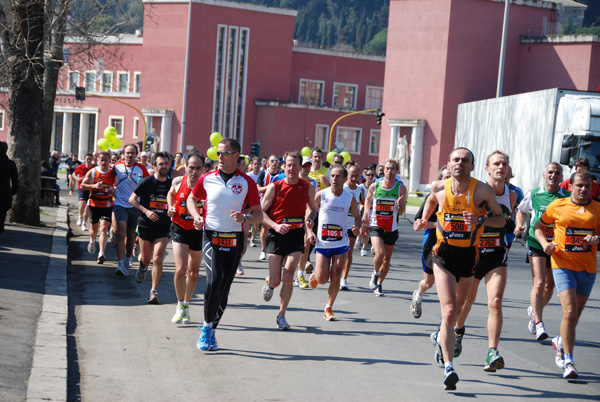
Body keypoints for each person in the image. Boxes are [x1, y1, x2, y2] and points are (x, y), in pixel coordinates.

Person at [414, 147, 505, 390]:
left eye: (465, 160)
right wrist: (423, 220)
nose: (460, 164)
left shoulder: (482, 190)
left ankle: (438, 338)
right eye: (456, 160)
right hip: (443, 254)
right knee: (450, 310)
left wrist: (481, 220)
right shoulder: (438, 187)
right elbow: (430, 204)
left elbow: (501, 219)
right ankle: (449, 367)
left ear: (472, 166)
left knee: (459, 310)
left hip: (469, 255)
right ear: (449, 163)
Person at [187, 138, 262, 351]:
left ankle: (212, 329)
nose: (218, 157)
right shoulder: (207, 179)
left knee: (224, 289)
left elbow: (258, 214)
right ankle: (205, 327)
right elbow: (191, 200)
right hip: (210, 235)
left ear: (236, 155)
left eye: (224, 153)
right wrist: (196, 216)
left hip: (234, 239)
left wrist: (245, 219)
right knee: (214, 281)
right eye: (217, 153)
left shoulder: (247, 182)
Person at [533, 171, 600, 379]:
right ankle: (568, 361)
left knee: (574, 317)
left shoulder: (598, 209)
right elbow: (538, 227)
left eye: (587, 186)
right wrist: (545, 244)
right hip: (562, 264)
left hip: (588, 268)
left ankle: (560, 341)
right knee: (569, 313)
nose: (583, 189)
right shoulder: (558, 206)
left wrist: (596, 238)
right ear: (570, 187)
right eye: (579, 185)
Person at [454, 151, 516, 372]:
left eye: (504, 164)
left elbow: (508, 223)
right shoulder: (477, 190)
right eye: (496, 164)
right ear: (487, 169)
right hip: (473, 253)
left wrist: (514, 228)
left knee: (495, 302)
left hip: (496, 255)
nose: (501, 167)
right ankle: (458, 331)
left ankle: (492, 351)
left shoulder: (512, 194)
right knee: (466, 304)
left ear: (508, 170)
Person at [514, 162, 569, 341]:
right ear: (544, 175)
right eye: (550, 172)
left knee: (549, 286)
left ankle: (533, 310)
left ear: (561, 178)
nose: (553, 175)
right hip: (536, 242)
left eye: (557, 173)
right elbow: (521, 210)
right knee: (539, 283)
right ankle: (539, 323)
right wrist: (519, 225)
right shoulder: (534, 194)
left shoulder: (566, 197)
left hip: (556, 245)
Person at [261, 151, 315, 330]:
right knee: (276, 280)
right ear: (284, 166)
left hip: (295, 236)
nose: (291, 168)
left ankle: (281, 315)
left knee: (289, 275)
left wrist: (309, 225)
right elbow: (260, 212)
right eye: (289, 165)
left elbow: (311, 209)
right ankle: (269, 282)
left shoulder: (307, 187)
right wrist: (274, 226)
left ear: (300, 167)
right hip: (276, 236)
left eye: (295, 165)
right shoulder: (274, 186)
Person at [308, 165, 361, 321]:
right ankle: (316, 275)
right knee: (323, 279)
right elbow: (310, 212)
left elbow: (357, 217)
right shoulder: (321, 195)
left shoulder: (349, 198)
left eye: (338, 176)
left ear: (344, 180)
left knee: (336, 274)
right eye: (332, 176)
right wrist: (309, 230)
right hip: (323, 243)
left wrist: (357, 227)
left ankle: (328, 308)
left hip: (341, 243)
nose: (334, 179)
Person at [129, 152, 172, 304]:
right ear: (154, 165)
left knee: (158, 258)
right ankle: (142, 267)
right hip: (146, 225)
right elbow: (132, 199)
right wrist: (146, 211)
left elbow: (179, 202)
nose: (164, 166)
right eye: (161, 163)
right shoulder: (147, 182)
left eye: (166, 163)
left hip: (164, 226)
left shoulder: (172, 184)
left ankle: (153, 292)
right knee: (146, 259)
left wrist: (172, 210)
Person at [167, 151, 205, 323]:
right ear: (185, 166)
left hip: (198, 232)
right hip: (179, 228)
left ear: (203, 168)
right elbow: (170, 194)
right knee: (181, 270)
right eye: (191, 167)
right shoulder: (177, 181)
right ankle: (180, 304)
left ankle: (187, 304)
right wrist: (170, 207)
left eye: (198, 168)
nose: (194, 171)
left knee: (194, 273)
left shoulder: (207, 187)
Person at [361, 159, 407, 296]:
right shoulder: (375, 186)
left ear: (396, 171)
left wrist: (400, 206)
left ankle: (379, 283)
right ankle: (375, 273)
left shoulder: (401, 187)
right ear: (381, 170)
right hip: (376, 224)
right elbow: (368, 199)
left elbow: (402, 212)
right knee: (379, 253)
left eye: (392, 169)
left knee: (387, 260)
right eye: (387, 168)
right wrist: (365, 214)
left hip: (392, 226)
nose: (389, 171)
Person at [410, 165, 451, 318]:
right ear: (440, 180)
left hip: (453, 245)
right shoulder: (434, 196)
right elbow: (421, 222)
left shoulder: (461, 197)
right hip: (433, 243)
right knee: (429, 283)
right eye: (446, 177)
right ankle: (418, 295)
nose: (449, 180)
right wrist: (443, 224)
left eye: (451, 177)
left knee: (447, 284)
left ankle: (446, 319)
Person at [110, 144, 149, 276]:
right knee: (121, 233)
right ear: (123, 154)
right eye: (127, 153)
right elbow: (108, 179)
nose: (129, 155)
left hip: (134, 206)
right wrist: (110, 188)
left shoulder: (141, 169)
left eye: (132, 153)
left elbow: (149, 184)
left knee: (131, 235)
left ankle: (127, 259)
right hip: (120, 204)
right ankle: (120, 265)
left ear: (136, 154)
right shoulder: (116, 167)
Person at [80, 151, 115, 264]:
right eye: (102, 160)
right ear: (98, 160)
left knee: (104, 228)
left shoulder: (112, 173)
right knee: (94, 230)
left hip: (107, 204)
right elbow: (83, 185)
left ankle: (101, 253)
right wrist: (94, 186)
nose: (104, 162)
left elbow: (116, 186)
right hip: (94, 204)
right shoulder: (93, 172)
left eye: (106, 160)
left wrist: (113, 190)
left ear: (109, 160)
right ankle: (92, 240)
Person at [295, 156, 319, 288]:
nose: (306, 169)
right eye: (304, 166)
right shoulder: (292, 181)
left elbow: (313, 203)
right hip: (292, 218)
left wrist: (311, 216)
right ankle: (289, 271)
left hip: (306, 217)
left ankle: (300, 274)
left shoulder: (313, 183)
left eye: (309, 166)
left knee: (306, 245)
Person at [340, 164, 365, 290]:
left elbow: (362, 203)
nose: (354, 179)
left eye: (356, 176)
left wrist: (359, 211)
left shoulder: (359, 190)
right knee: (337, 252)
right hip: (338, 223)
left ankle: (344, 279)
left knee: (349, 251)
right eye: (351, 176)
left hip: (352, 224)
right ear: (346, 176)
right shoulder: (341, 188)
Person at [257, 155, 283, 260]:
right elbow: (257, 189)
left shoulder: (282, 174)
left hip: (277, 204)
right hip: (265, 203)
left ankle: (275, 249)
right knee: (265, 227)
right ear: (268, 163)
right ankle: (263, 250)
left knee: (277, 228)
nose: (274, 163)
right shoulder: (263, 173)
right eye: (272, 160)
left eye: (276, 161)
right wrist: (269, 188)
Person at [72, 154, 95, 231]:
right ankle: (80, 217)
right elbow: (74, 174)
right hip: (82, 187)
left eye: (90, 159)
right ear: (85, 159)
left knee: (87, 207)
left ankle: (84, 223)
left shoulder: (94, 168)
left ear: (92, 159)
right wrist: (77, 178)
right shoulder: (81, 167)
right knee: (82, 204)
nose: (88, 160)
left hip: (90, 189)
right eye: (87, 159)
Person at [0, 141, 18, 235]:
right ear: (6, 150)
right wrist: (12, 192)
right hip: (4, 195)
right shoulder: (10, 164)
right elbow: (15, 182)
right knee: (1, 217)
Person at [358, 167, 376, 256]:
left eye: (372, 175)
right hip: (363, 210)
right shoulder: (361, 187)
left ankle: (364, 248)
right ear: (365, 176)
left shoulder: (375, 187)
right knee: (362, 230)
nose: (370, 177)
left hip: (372, 211)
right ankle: (358, 240)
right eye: (368, 175)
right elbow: (361, 200)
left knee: (367, 232)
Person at [246, 157, 262, 247]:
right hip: (249, 200)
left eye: (258, 164)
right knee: (248, 219)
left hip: (258, 200)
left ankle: (252, 239)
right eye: (255, 164)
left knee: (256, 221)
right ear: (252, 165)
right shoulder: (248, 175)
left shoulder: (261, 175)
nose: (256, 166)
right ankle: (247, 233)